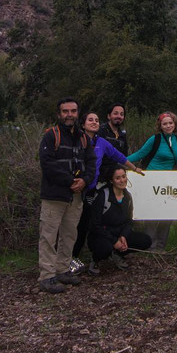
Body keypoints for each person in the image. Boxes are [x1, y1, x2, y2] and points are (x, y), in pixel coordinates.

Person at [70, 111, 142, 275]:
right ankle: (69, 258)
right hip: (75, 188)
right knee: (75, 225)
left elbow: (118, 156)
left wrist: (134, 168)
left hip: (91, 190)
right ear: (82, 124)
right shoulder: (77, 140)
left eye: (96, 120)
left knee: (86, 223)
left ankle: (83, 256)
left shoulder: (101, 142)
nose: (94, 122)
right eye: (90, 120)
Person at [36, 98, 96, 294]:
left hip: (76, 196)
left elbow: (91, 163)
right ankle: (47, 276)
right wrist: (71, 181)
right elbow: (47, 164)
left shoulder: (83, 138)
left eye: (73, 111)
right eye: (65, 111)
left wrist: (85, 181)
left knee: (69, 235)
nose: (69, 115)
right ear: (59, 114)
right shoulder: (51, 136)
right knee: (49, 236)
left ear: (78, 113)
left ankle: (63, 270)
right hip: (55, 195)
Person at [127, 112, 177, 249]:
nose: (168, 126)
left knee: (167, 215)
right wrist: (122, 160)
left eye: (171, 123)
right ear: (160, 126)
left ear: (175, 124)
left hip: (168, 183)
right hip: (152, 180)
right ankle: (148, 246)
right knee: (152, 214)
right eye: (165, 124)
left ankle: (161, 246)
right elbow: (140, 154)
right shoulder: (155, 139)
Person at [88, 166, 152, 271]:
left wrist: (123, 236)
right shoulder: (102, 196)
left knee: (145, 240)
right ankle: (95, 260)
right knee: (105, 247)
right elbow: (95, 225)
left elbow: (129, 221)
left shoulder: (127, 196)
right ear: (111, 180)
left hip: (119, 233)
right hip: (101, 235)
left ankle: (117, 254)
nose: (122, 180)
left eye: (124, 176)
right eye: (118, 178)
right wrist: (114, 241)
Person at [97, 103, 129, 183]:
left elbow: (124, 156)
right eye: (115, 113)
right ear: (109, 116)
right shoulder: (101, 131)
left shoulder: (122, 134)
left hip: (117, 178)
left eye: (121, 114)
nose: (119, 116)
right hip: (100, 178)